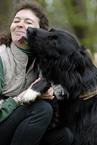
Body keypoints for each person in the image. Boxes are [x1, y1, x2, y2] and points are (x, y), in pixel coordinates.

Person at [0, 1, 74, 145]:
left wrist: (50, 93)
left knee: (65, 136)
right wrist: (19, 99)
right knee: (42, 109)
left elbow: (66, 88)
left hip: (23, 127)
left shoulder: (44, 61)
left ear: (40, 32)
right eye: (16, 21)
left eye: (28, 22)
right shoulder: (1, 56)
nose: (20, 25)